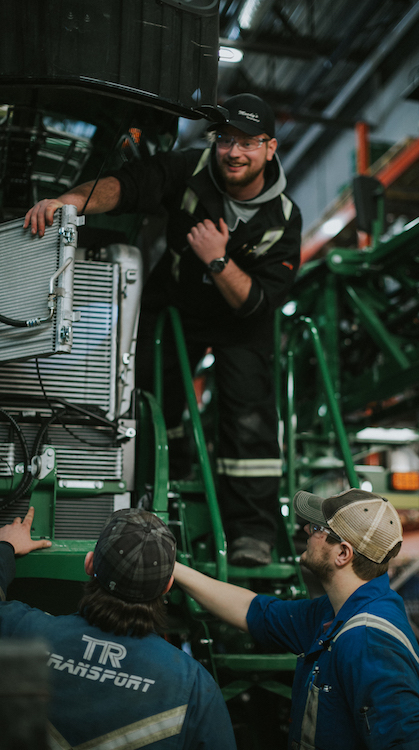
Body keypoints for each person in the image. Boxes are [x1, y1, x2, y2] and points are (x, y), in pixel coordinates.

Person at [25, 93, 303, 567]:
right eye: (226, 140)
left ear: (270, 148)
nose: (234, 153)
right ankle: (160, 496)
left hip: (242, 322)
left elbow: (257, 302)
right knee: (151, 396)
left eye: (248, 144)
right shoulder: (190, 168)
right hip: (174, 302)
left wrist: (217, 258)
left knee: (250, 416)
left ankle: (252, 532)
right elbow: (130, 185)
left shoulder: (285, 219)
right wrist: (69, 202)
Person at [173, 488, 419, 750]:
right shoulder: (334, 614)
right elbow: (253, 610)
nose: (306, 532)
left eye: (317, 529)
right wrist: (173, 568)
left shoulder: (369, 643)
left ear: (342, 554)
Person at [0, 506, 237, 750]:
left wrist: (5, 547)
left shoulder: (18, 630)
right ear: (167, 586)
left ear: (89, 564)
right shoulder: (195, 688)